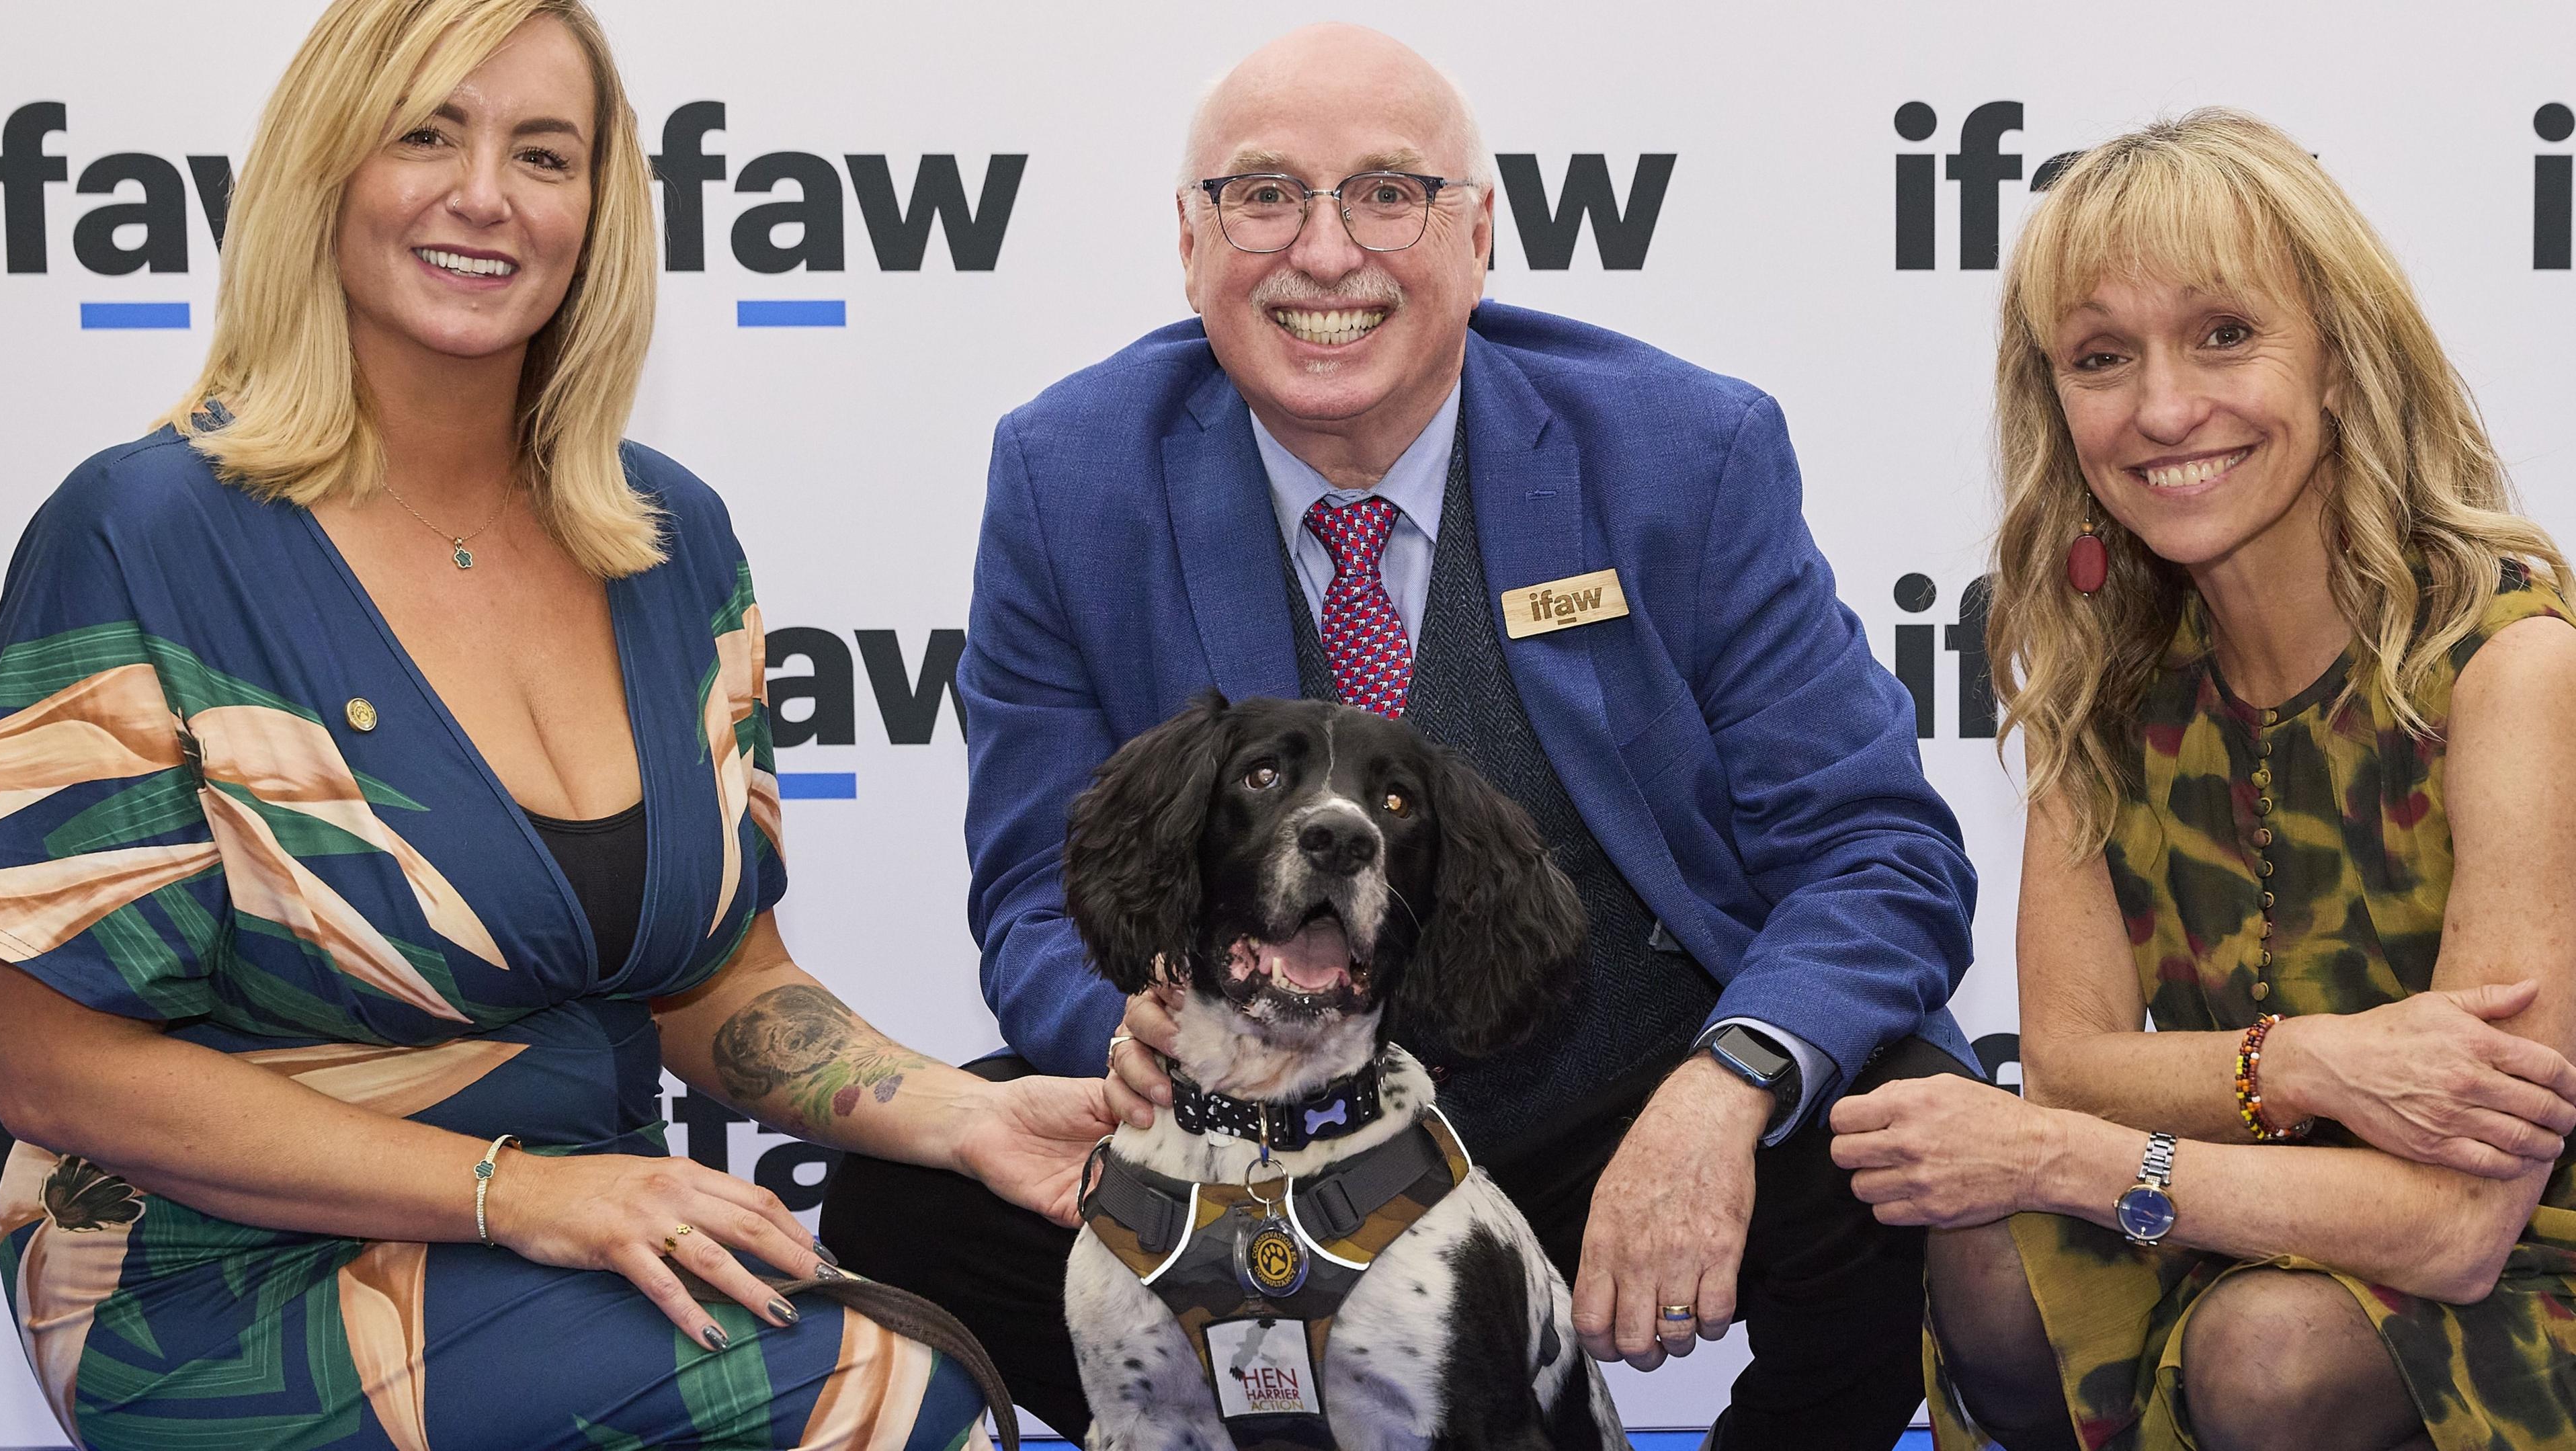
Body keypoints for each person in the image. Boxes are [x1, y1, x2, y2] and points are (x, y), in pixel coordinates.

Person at [821, 24, 1981, 1450]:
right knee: (903, 1196)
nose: (1324, 254)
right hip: (1247, 1135)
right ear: (1189, 245)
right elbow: (1028, 886)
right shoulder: (1069, 476)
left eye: (1387, 193)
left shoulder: (1687, 452)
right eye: (1262, 197)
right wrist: (1119, 1038)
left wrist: (1723, 1090)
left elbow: (1879, 851)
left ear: (1480, 233)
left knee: (1904, 1135)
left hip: (1621, 1104)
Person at [0, 2, 1112, 1445]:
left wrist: (963, 1115)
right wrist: (517, 1193)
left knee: (941, 1367)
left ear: (600, 206)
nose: (485, 196)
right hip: (216, 1274)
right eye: (427, 134)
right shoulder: (139, 533)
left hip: (602, 1231)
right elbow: (38, 1057)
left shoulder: (667, 543)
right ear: (323, 170)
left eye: (544, 153)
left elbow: (718, 988)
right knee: (891, 1399)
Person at [1825, 110, 2576, 1451]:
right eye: (2102, 357)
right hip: (2240, 1200)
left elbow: (2458, 1228)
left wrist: (2075, 1150)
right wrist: (2312, 1067)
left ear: (2343, 362)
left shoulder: (2513, 670)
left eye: (2225, 334)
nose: (2165, 409)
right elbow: (2067, 1057)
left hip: (2528, 1266)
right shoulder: (2096, 683)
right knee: (1990, 1260)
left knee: (2267, 1357)